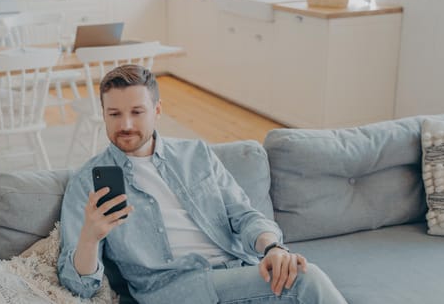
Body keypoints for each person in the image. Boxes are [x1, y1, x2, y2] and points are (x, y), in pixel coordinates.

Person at [58, 65, 347, 304]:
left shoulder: (196, 154)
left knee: (294, 269)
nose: (127, 125)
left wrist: (273, 248)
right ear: (103, 114)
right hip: (176, 289)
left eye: (137, 112)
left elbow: (244, 216)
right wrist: (90, 237)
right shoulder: (86, 182)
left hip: (239, 273)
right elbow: (78, 286)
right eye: (114, 114)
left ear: (157, 110)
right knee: (306, 281)